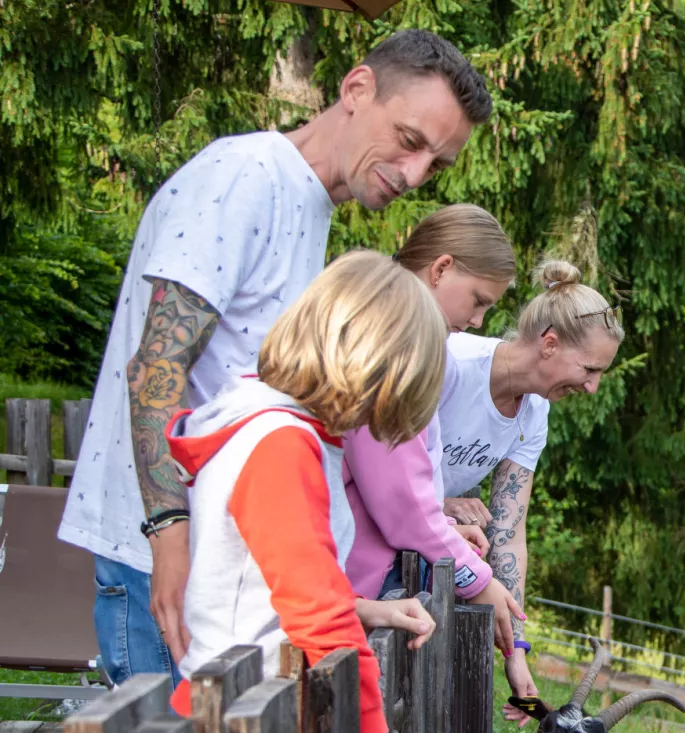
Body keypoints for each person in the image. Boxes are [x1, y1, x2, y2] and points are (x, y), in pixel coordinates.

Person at [59, 30, 492, 685]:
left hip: (224, 580)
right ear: (356, 89)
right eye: (409, 141)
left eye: (435, 163)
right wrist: (170, 539)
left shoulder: (309, 205)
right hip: (167, 569)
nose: (413, 175)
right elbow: (155, 367)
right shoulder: (243, 180)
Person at [167, 251, 443, 733]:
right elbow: (314, 613)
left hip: (246, 713)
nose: (376, 421)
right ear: (366, 370)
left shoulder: (277, 427)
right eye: (383, 401)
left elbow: (272, 582)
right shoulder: (280, 445)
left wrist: (366, 609)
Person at [435, 259, 625, 719]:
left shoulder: (533, 412)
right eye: (589, 368)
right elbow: (367, 454)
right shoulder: (452, 363)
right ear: (550, 344)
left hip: (431, 545)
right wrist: (439, 504)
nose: (593, 386)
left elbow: (508, 534)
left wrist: (515, 652)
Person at [342, 204, 526, 656]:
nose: (479, 321)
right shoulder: (392, 343)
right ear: (441, 269)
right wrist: (476, 577)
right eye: (479, 300)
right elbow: (400, 499)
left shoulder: (402, 336)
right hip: (346, 574)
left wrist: (441, 528)